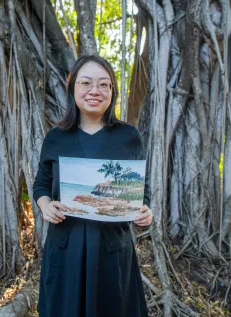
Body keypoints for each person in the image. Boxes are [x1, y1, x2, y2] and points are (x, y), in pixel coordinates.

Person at [33, 55, 152, 317]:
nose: (95, 91)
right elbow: (41, 185)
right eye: (86, 83)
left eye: (104, 84)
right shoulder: (56, 137)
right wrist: (45, 205)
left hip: (112, 248)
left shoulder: (129, 137)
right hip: (66, 247)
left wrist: (145, 209)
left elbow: (142, 191)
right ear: (73, 88)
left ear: (112, 91)